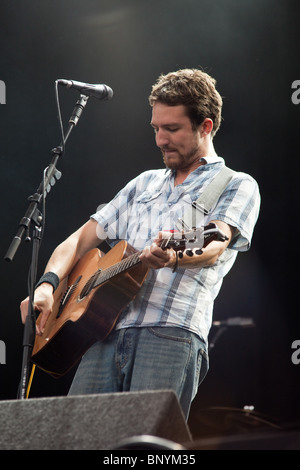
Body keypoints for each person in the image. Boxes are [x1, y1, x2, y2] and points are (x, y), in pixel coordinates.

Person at [20, 68, 260, 419]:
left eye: (172, 129)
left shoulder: (235, 184)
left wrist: (172, 256)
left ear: (205, 126)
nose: (161, 139)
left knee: (148, 447)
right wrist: (48, 284)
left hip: (170, 335)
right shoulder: (143, 183)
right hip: (101, 334)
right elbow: (79, 240)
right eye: (156, 128)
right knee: (79, 439)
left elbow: (214, 243)